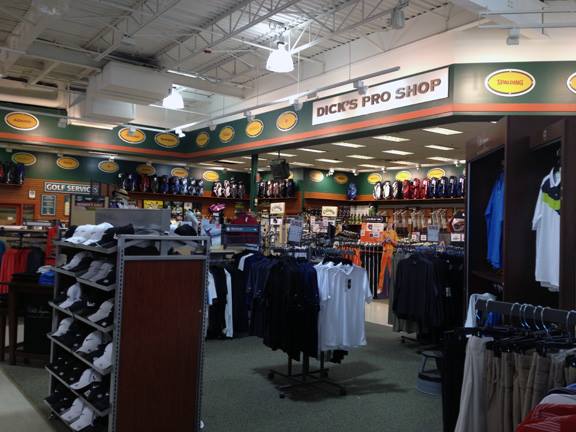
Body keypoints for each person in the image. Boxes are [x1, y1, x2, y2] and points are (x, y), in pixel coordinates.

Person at [377, 222, 398, 298]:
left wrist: (391, 240)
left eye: (391, 224)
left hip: (391, 253)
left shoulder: (394, 233)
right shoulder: (383, 233)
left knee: (391, 271)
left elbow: (396, 244)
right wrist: (385, 241)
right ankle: (380, 287)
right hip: (385, 252)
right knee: (382, 271)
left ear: (392, 225)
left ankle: (393, 287)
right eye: (388, 223)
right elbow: (380, 243)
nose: (389, 225)